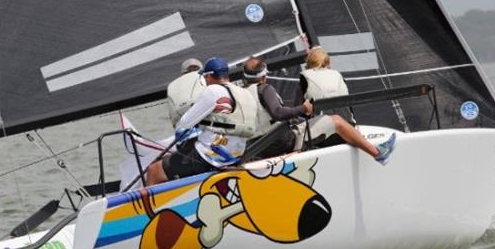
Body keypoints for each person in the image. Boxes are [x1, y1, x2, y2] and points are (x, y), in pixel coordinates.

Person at [244, 57, 396, 163]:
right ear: (264, 75)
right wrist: (303, 108)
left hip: (259, 148)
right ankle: (378, 153)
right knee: (336, 121)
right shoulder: (264, 89)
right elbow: (277, 113)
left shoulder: (242, 93)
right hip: (285, 142)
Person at [146, 57, 258, 185]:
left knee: (154, 170)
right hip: (237, 154)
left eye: (204, 77)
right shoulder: (244, 93)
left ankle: (151, 205)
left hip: (210, 157)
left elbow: (185, 123)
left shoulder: (212, 90)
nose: (204, 81)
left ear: (209, 76)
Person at [166, 57, 205, 125]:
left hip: (183, 119)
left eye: (194, 68)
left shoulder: (173, 85)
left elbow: (172, 115)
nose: (192, 71)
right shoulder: (204, 78)